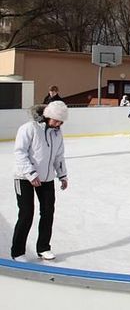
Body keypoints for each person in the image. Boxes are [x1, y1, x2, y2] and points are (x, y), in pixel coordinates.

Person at [11, 101, 69, 262]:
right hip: (23, 177)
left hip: (47, 178)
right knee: (26, 214)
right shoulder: (29, 128)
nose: (58, 124)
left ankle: (43, 247)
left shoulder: (57, 133)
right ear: (47, 116)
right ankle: (17, 251)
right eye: (56, 120)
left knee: (48, 212)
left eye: (61, 122)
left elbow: (59, 156)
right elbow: (20, 153)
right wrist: (31, 173)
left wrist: (62, 175)